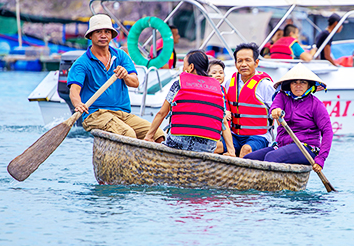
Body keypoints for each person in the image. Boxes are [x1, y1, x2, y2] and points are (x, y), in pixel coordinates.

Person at [68, 14, 165, 142]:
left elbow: (135, 82)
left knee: (158, 134)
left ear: (111, 35)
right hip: (96, 115)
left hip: (122, 114)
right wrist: (78, 104)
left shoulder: (121, 56)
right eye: (98, 32)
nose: (103, 35)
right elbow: (74, 90)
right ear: (90, 36)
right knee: (128, 134)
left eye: (107, 32)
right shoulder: (82, 63)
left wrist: (125, 75)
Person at [245, 63, 332, 173]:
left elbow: (327, 131)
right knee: (248, 160)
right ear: (289, 84)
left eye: (303, 82)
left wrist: (320, 159)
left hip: (306, 148)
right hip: (282, 146)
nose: (298, 85)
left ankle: (270, 189)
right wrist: (276, 111)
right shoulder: (282, 96)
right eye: (294, 82)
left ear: (309, 85)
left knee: (271, 158)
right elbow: (275, 107)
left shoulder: (316, 104)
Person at [143, 50, 235, 154]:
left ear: (191, 67)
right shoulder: (217, 88)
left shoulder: (179, 84)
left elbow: (162, 113)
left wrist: (148, 136)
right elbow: (224, 122)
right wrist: (231, 151)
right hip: (207, 147)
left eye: (184, 65)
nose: (183, 68)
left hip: (178, 144)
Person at [222, 42, 277, 157]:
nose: (243, 64)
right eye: (240, 61)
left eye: (248, 60)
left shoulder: (266, 85)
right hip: (234, 135)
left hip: (259, 136)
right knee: (215, 146)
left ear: (256, 63)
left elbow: (279, 114)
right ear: (235, 63)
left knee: (246, 149)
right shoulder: (229, 83)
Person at [208, 59, 237, 155]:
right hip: (214, 130)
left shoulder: (223, 89)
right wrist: (224, 113)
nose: (218, 75)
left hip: (224, 131)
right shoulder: (208, 90)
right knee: (218, 147)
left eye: (221, 72)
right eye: (214, 72)